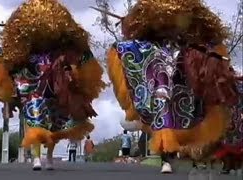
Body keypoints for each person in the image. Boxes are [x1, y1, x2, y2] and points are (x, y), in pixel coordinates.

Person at [98, 0, 239, 174]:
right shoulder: (150, 46)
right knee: (163, 117)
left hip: (183, 83)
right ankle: (166, 158)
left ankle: (192, 155)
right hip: (160, 82)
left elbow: (207, 47)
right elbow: (133, 47)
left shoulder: (189, 46)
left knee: (188, 115)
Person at [0, 0, 105, 171]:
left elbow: (81, 58)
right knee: (35, 121)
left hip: (58, 94)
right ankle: (36, 158)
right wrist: (9, 96)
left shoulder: (61, 52)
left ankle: (48, 157)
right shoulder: (24, 53)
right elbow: (4, 59)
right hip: (33, 93)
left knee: (55, 126)